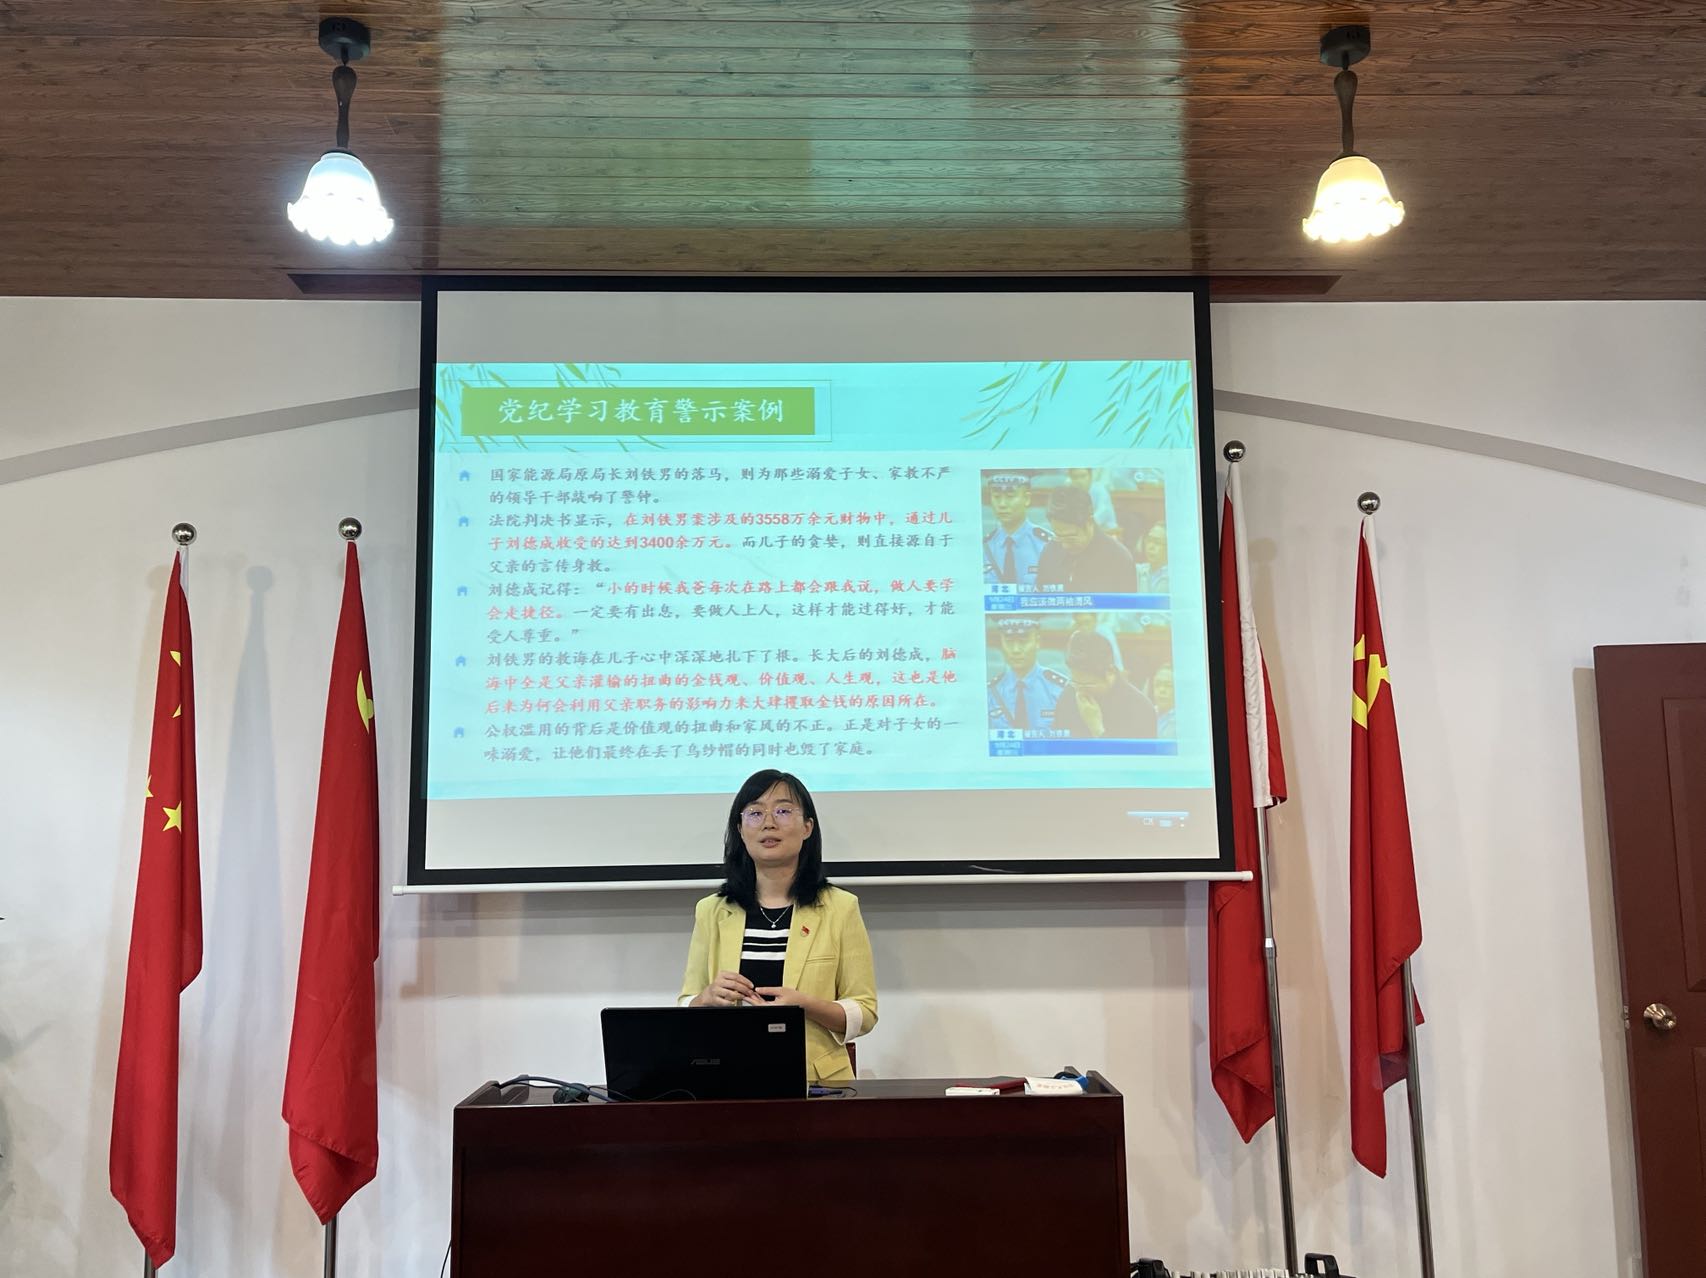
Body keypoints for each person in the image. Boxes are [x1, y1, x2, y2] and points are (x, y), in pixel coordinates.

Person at [678, 770, 877, 1084]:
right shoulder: (712, 911)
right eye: (755, 813)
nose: (769, 823)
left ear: (807, 827)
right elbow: (686, 1003)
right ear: (740, 830)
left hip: (816, 1084)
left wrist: (804, 1005)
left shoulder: (840, 907)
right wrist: (706, 998)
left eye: (783, 811)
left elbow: (863, 1012)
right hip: (727, 1078)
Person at [1051, 630, 1158, 740]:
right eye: (1075, 682)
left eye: (1086, 685)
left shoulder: (1141, 709)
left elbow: (1134, 751)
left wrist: (1097, 729)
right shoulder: (1069, 694)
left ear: (1110, 672)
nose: (1079, 691)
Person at [1035, 483, 1138, 593]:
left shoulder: (1119, 559)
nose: (1064, 545)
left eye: (1071, 537)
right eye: (1059, 536)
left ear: (1089, 522)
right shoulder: (1050, 551)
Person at [987, 616, 1069, 731]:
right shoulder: (991, 692)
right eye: (1009, 641)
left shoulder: (1060, 689)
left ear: (1037, 642)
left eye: (1023, 641)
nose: (1015, 650)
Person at [982, 470, 1051, 587]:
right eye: (996, 496)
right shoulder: (984, 547)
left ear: (1027, 499)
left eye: (1010, 496)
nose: (1002, 504)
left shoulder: (1047, 545)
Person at [1065, 466, 1117, 533]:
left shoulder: (1100, 490)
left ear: (1090, 477)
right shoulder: (1071, 492)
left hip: (1108, 531)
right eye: (1075, 477)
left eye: (1083, 476)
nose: (1079, 481)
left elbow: (1102, 513)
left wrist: (1083, 525)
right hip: (1082, 532)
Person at [1137, 522, 1169, 594]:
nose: (1151, 547)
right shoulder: (1140, 570)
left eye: (1157, 542)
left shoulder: (1173, 577)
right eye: (1149, 540)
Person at [1150, 664, 1176, 738]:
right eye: (1157, 685)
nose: (1162, 690)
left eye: (1168, 685)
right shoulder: (1147, 713)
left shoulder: (1183, 719)